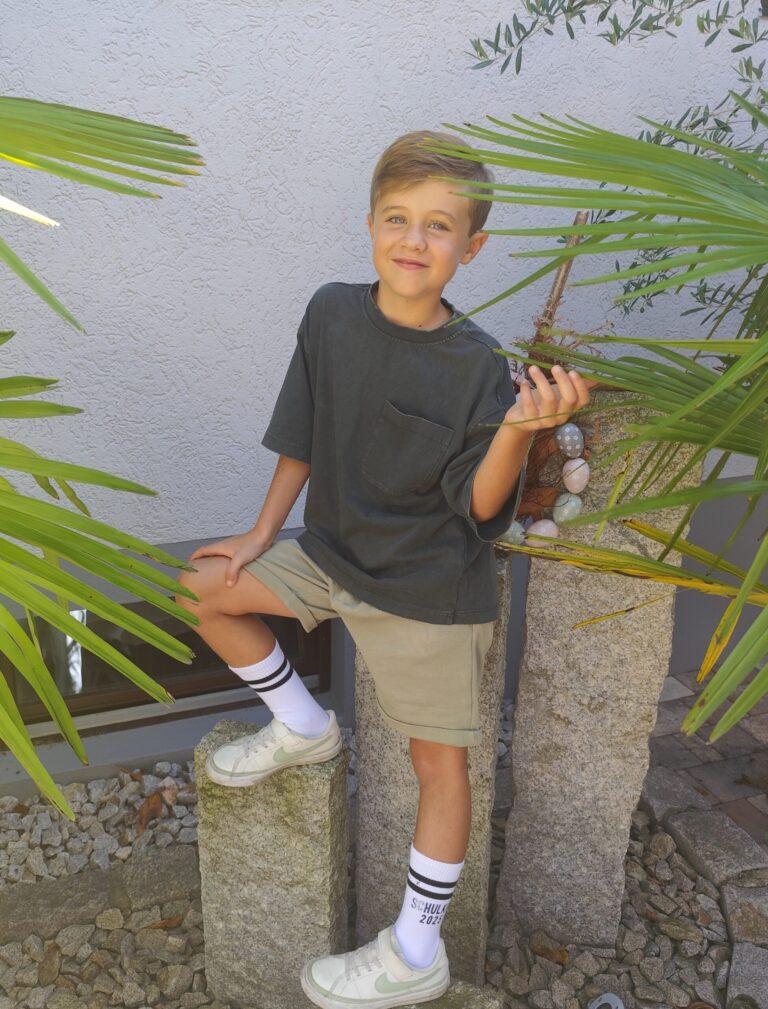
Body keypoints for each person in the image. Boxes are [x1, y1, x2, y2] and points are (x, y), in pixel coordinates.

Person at [175, 130, 592, 1009]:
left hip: (427, 589)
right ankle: (302, 723)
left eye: (440, 225)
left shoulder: (478, 364)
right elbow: (301, 430)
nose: (414, 238)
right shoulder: (330, 312)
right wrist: (259, 534)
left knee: (439, 767)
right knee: (202, 588)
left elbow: (479, 507)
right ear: (369, 224)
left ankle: (415, 949)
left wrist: (519, 432)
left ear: (471, 247)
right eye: (398, 217)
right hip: (331, 552)